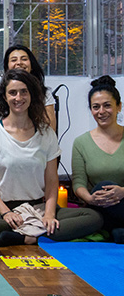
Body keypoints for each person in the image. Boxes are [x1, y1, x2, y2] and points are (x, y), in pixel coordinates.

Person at [0, 69, 103, 246]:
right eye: (13, 92)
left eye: (24, 92)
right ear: (4, 97)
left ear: (32, 95)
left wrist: (49, 214)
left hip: (38, 207)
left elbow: (51, 179)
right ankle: (40, 234)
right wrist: (6, 213)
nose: (18, 97)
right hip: (4, 208)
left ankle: (26, 237)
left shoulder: (46, 133)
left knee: (93, 217)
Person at [72, 75, 124, 243]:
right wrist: (89, 198)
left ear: (119, 106)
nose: (101, 112)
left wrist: (122, 192)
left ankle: (118, 233)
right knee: (102, 187)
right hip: (99, 209)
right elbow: (78, 183)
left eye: (107, 105)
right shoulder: (81, 143)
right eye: (96, 107)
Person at [0, 45, 56, 131]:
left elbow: (50, 130)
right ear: (7, 67)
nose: (19, 63)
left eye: (24, 59)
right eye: (14, 60)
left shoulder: (44, 93)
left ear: (31, 65)